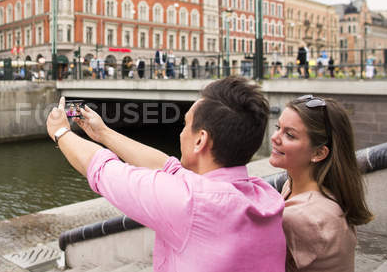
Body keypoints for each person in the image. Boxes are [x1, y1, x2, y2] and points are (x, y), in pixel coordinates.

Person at [46, 77, 286, 271]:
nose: (181, 133)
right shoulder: (265, 196)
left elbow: (102, 169)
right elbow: (170, 168)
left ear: (200, 139)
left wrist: (61, 133)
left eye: (185, 125)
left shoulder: (190, 203)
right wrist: (104, 134)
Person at [270, 95, 373, 271]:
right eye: (278, 127)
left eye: (289, 134)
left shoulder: (300, 217)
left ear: (318, 153)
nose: (274, 138)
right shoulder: (302, 186)